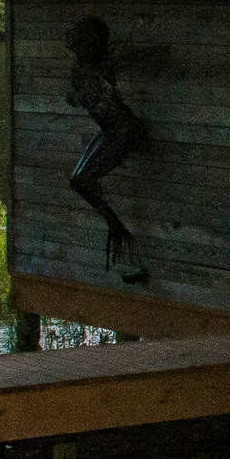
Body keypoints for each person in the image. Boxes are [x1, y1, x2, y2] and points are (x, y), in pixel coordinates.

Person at [65, 15, 162, 283]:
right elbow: (84, 94)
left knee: (80, 180)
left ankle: (117, 229)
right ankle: (117, 229)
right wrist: (76, 97)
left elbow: (131, 60)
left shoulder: (102, 64)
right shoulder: (80, 69)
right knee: (79, 180)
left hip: (123, 129)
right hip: (109, 130)